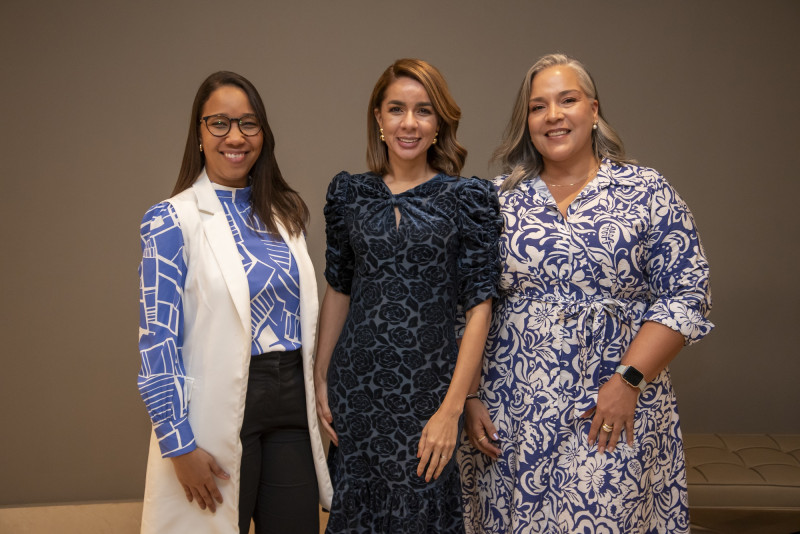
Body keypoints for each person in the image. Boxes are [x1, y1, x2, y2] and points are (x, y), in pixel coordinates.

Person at [458, 54, 713, 534]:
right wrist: (470, 397)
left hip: (613, 409)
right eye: (538, 106)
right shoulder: (495, 201)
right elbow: (468, 304)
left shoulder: (646, 190)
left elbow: (686, 294)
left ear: (594, 111)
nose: (553, 115)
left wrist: (627, 382)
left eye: (567, 100)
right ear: (526, 122)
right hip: (514, 413)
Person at [137, 71, 332, 534]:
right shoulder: (171, 220)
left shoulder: (285, 212)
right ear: (199, 134)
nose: (235, 137)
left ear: (263, 134)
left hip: (290, 403)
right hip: (218, 408)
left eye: (249, 124)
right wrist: (178, 445)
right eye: (219, 123)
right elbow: (157, 343)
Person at [313, 58, 502, 533]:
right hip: (356, 389)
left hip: (428, 394)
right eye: (396, 109)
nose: (409, 123)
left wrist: (452, 408)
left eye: (423, 111)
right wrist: (320, 377)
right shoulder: (349, 195)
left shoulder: (467, 199)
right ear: (378, 118)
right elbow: (339, 288)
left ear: (439, 123)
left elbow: (480, 308)